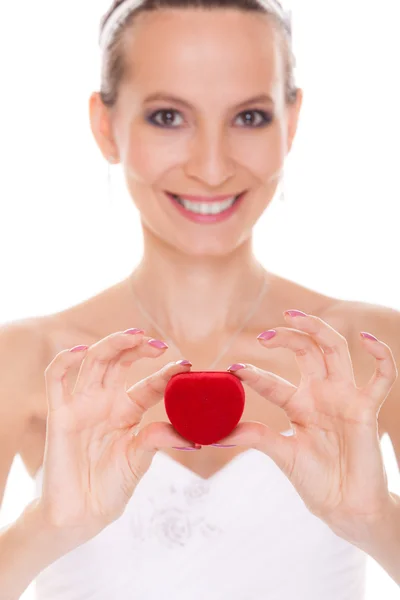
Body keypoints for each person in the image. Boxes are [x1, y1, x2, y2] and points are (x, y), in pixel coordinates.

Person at [0, 0, 400, 598]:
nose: (212, 168)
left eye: (249, 117)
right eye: (168, 116)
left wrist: (374, 521)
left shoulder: (368, 357)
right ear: (106, 126)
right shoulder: (28, 361)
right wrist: (46, 528)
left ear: (292, 121)